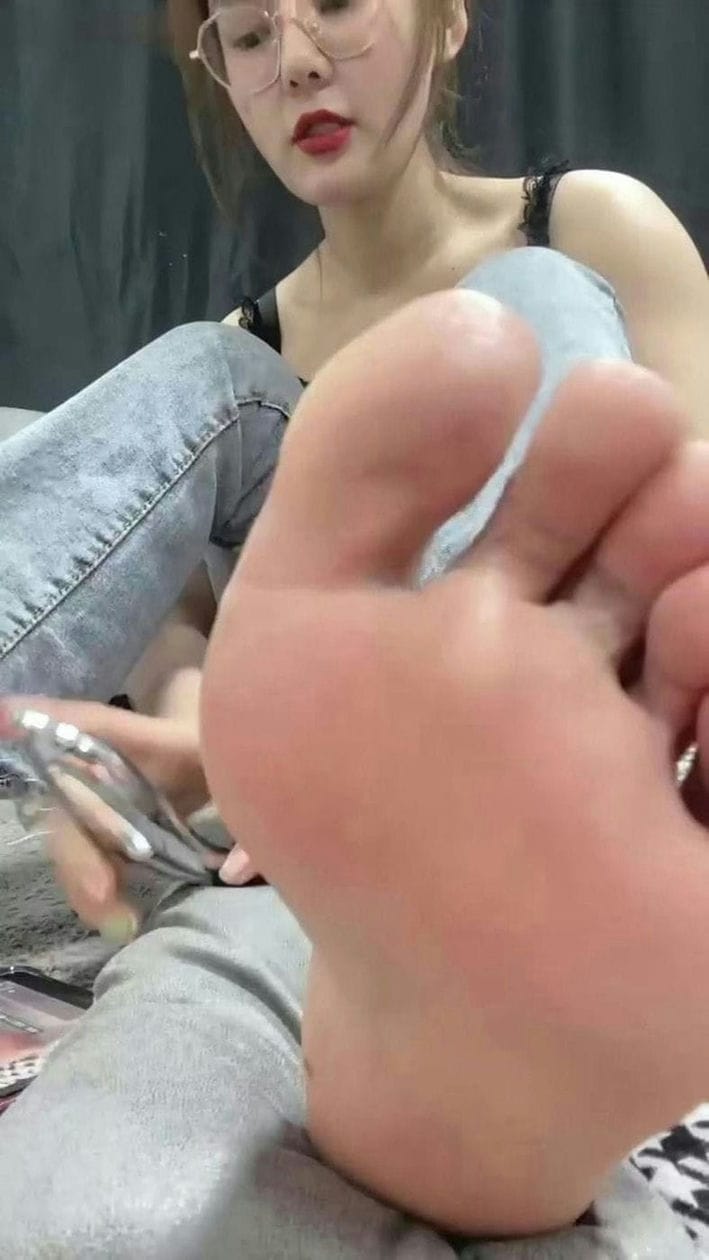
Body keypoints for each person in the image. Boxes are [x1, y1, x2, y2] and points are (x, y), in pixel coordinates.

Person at [1, 0, 709, 1252]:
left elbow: (686, 528)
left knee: (526, 295)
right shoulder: (238, 362)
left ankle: (489, 827)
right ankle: (455, 1027)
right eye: (248, 35)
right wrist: (151, 763)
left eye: (332, 3)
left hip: (569, 722)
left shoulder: (590, 225)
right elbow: (188, 672)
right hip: (317, 826)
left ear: (449, 21)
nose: (297, 63)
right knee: (203, 373)